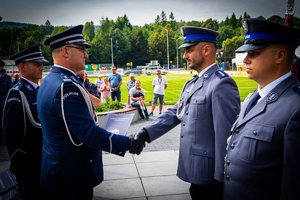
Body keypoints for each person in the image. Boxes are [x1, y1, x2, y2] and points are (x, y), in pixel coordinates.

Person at [37, 25, 144, 199]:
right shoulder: (66, 86)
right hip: (71, 176)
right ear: (65, 51)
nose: (86, 54)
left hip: (60, 170)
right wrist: (128, 143)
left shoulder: (52, 80)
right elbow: (89, 135)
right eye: (82, 49)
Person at [133, 26, 240, 200]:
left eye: (189, 50)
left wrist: (221, 178)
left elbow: (225, 137)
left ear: (206, 50)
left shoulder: (221, 84)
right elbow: (176, 112)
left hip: (210, 177)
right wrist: (146, 133)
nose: (184, 56)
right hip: (195, 171)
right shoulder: (192, 83)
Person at [223, 18, 300, 200]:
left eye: (254, 53)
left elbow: (294, 186)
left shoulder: (296, 107)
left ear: (280, 56)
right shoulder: (252, 98)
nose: (245, 59)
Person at [3, 44, 49, 199]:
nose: (42, 68)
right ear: (22, 66)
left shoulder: (38, 91)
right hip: (32, 169)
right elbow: (13, 139)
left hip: (45, 164)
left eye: (42, 64)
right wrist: (25, 174)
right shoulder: (17, 94)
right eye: (37, 64)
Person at [0, 59, 13, 144]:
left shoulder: (7, 78)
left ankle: (2, 139)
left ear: (1, 67)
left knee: (3, 122)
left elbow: (9, 91)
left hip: (2, 104)